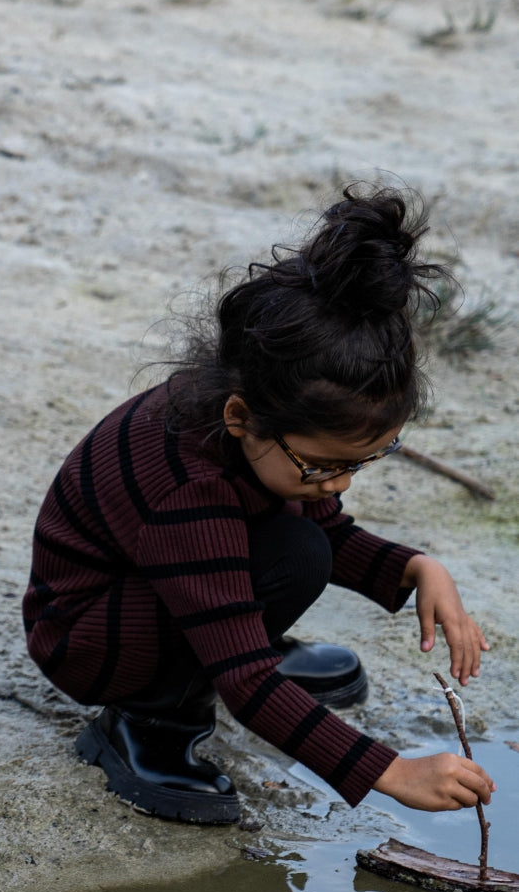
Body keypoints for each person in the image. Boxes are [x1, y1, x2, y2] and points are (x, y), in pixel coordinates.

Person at [24, 186, 493, 825]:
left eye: (361, 462)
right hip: (88, 640)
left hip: (160, 589)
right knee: (294, 556)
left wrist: (419, 570)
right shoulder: (191, 487)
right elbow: (247, 683)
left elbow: (329, 530)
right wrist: (392, 771)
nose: (341, 484)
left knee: (305, 537)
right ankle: (149, 720)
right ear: (243, 417)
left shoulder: (252, 422)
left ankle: (223, 644)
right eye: (325, 466)